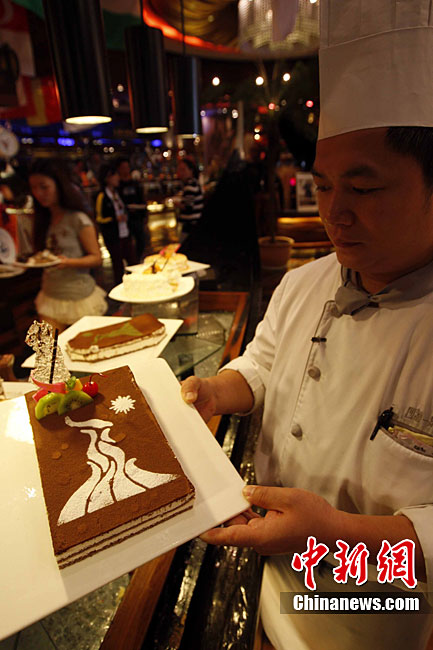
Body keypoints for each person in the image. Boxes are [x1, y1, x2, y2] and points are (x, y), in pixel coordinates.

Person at [181, 3, 433, 649]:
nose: (334, 213)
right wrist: (216, 391)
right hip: (265, 580)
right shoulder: (303, 283)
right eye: (322, 187)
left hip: (380, 618)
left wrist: (334, 535)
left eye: (363, 189)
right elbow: (263, 365)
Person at [29, 158, 106, 333]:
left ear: (59, 186)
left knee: (84, 347)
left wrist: (67, 262)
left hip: (79, 297)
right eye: (33, 188)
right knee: (50, 349)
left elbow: (96, 258)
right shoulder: (42, 220)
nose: (38, 193)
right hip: (49, 296)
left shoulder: (78, 219)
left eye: (44, 187)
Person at [95, 163, 136, 286]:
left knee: (133, 263)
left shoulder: (118, 193)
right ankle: (120, 290)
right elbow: (99, 218)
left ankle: (136, 285)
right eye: (115, 175)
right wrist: (114, 219)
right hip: (113, 237)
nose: (118, 177)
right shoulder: (102, 196)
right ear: (107, 178)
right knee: (118, 266)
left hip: (125, 233)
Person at [115, 156, 147, 261]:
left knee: (141, 240)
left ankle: (138, 259)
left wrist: (144, 215)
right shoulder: (117, 186)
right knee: (127, 244)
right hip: (124, 220)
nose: (126, 170)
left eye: (127, 167)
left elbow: (142, 200)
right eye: (123, 167)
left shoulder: (135, 184)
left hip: (137, 217)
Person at [175, 157, 204, 236]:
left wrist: (176, 204)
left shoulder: (190, 186)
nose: (181, 173)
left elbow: (188, 207)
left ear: (191, 170)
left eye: (183, 170)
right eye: (179, 170)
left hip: (190, 225)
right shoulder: (194, 183)